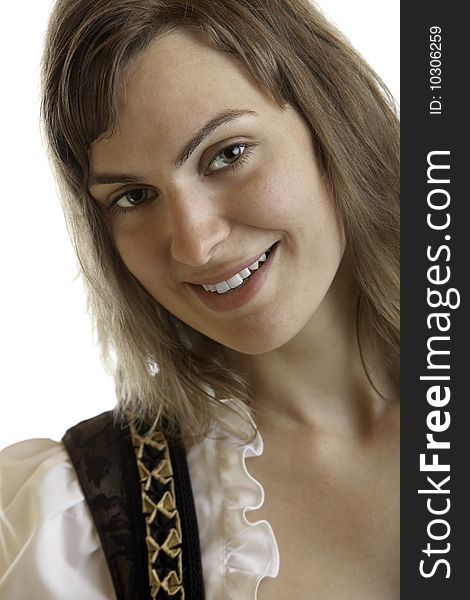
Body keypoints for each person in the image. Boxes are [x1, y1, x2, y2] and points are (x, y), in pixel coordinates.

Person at [0, 0, 400, 598]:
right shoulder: (78, 525)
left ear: (330, 121)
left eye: (227, 154)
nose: (195, 245)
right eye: (134, 196)